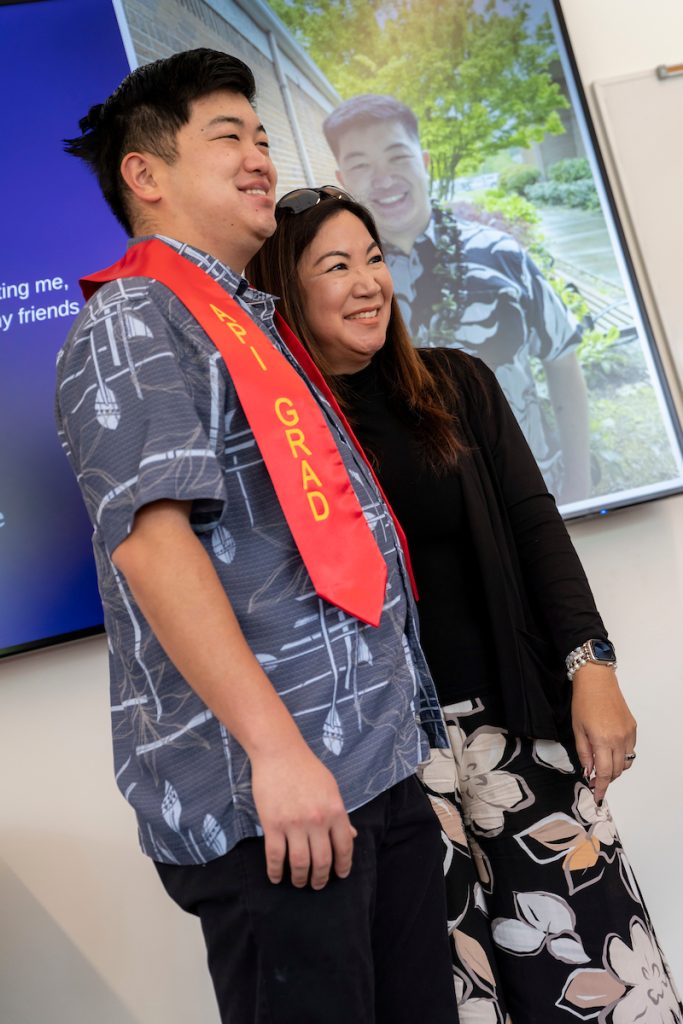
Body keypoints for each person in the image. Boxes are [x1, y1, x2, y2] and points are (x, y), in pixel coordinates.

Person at [55, 50, 460, 1024]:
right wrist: (278, 754)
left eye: (263, 138)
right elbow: (154, 547)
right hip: (279, 801)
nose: (259, 159)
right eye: (226, 136)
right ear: (143, 175)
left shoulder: (248, 318)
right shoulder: (138, 320)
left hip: (370, 773)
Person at [247, 187, 683, 1024]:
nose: (368, 280)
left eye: (372, 257)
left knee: (599, 976)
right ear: (284, 290)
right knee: (455, 996)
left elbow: (534, 531)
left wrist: (592, 669)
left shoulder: (456, 383)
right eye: (335, 265)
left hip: (514, 728)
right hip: (383, 762)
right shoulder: (274, 434)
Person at [322, 94, 591, 506]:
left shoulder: (502, 254)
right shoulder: (339, 289)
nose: (383, 178)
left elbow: (562, 360)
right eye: (361, 165)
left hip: (534, 493)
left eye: (397, 156)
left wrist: (579, 483)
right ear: (343, 178)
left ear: (424, 162)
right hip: (421, 517)